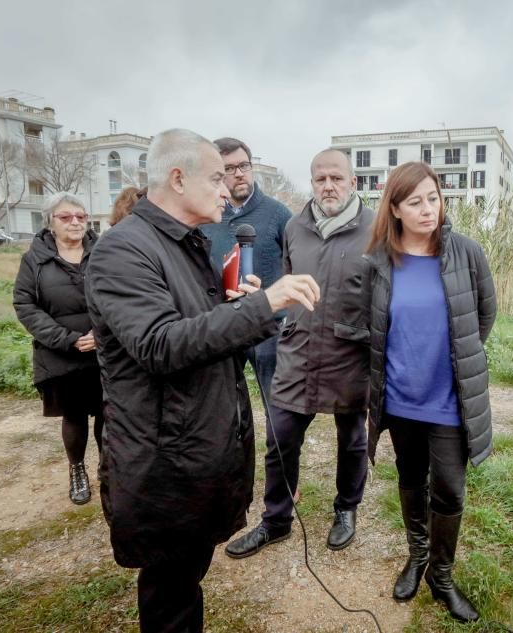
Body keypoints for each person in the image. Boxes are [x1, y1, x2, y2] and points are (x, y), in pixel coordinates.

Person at [85, 129, 320, 633]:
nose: (226, 189)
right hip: (161, 461)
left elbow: (198, 330)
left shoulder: (183, 244)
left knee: (186, 579)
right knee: (171, 594)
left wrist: (240, 309)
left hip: (191, 450)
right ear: (177, 177)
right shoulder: (123, 251)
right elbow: (160, 344)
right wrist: (265, 304)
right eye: (215, 177)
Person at [364, 161, 497, 623]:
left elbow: (483, 316)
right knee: (410, 478)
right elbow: (373, 326)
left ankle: (441, 576)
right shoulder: (380, 260)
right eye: (415, 201)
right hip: (400, 398)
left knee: (450, 491)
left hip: (448, 400)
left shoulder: (466, 252)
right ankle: (417, 556)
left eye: (434, 198)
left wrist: (455, 361)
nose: (428, 209)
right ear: (396, 208)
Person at [225, 148, 373, 558]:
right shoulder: (296, 226)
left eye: (336, 178)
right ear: (312, 182)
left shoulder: (377, 230)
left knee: (353, 441)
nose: (328, 186)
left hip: (350, 355)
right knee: (281, 438)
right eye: (320, 179)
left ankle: (346, 509)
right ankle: (276, 520)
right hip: (299, 352)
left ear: (352, 183)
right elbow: (290, 281)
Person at [13, 193, 103, 505]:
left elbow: (122, 293)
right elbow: (25, 305)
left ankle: (111, 469)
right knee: (75, 416)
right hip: (61, 353)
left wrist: (102, 332)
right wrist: (67, 338)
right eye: (66, 217)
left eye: (81, 216)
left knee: (111, 413)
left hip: (105, 350)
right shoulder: (34, 259)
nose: (76, 222)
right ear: (50, 222)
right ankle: (77, 470)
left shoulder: (104, 251)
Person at [199, 137, 293, 425]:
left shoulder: (278, 214)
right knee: (224, 407)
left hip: (270, 327)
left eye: (244, 165)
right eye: (229, 168)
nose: (239, 173)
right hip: (223, 324)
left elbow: (296, 263)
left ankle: (279, 462)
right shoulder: (206, 217)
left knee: (278, 411)